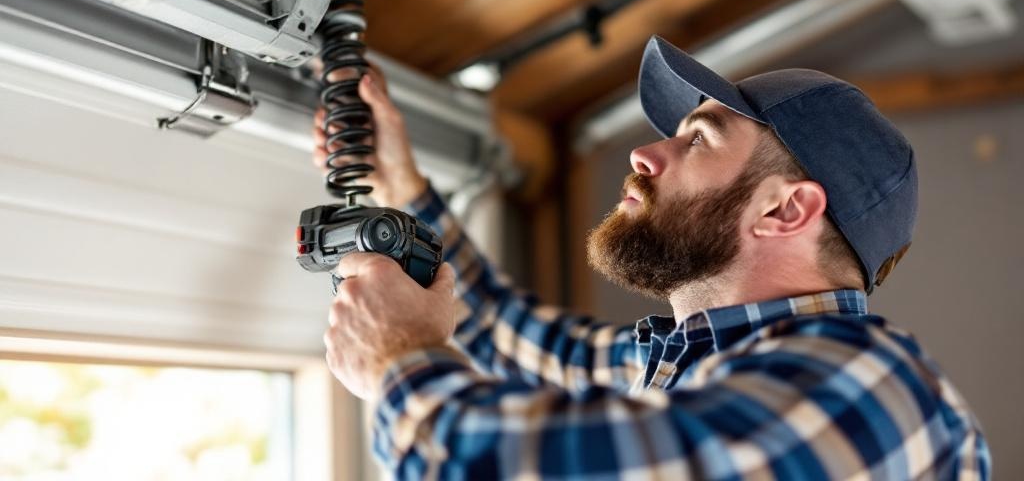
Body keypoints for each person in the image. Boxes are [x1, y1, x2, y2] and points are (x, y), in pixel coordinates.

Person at [315, 36, 990, 479]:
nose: (646, 152)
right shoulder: (687, 367)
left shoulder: (873, 386)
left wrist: (396, 357)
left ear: (785, 210)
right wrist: (402, 187)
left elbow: (540, 465)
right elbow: (510, 337)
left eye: (699, 139)